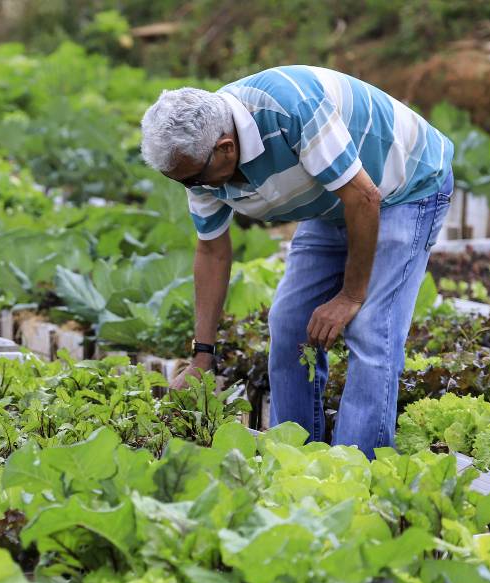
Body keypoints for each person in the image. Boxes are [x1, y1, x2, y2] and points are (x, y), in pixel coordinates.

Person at [141, 66, 453, 458]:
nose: (192, 188)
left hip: (405, 185)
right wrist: (202, 355)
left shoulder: (289, 110)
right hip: (337, 202)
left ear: (225, 148)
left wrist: (350, 297)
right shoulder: (200, 162)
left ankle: (356, 473)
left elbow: (364, 198)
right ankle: (296, 458)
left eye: (191, 179)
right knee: (289, 323)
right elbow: (212, 250)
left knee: (372, 330)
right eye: (181, 181)